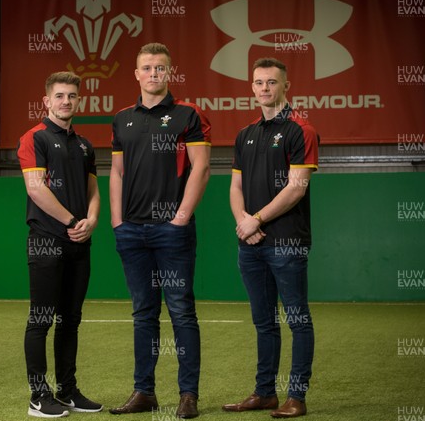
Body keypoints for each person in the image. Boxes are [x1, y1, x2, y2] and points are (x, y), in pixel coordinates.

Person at [108, 42, 211, 419]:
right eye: (147, 68)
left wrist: (181, 217)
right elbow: (117, 173)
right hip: (132, 232)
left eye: (160, 68)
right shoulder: (122, 119)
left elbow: (201, 168)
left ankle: (188, 395)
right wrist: (117, 222)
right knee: (143, 313)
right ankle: (144, 392)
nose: (154, 74)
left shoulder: (188, 115)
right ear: (136, 74)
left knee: (182, 312)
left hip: (173, 231)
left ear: (170, 73)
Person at [223, 58, 318, 418]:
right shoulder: (245, 134)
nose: (265, 88)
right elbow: (235, 186)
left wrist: (257, 219)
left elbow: (296, 188)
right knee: (264, 321)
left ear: (286, 86)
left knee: (297, 319)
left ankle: (296, 396)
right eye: (259, 82)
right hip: (251, 244)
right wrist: (243, 221)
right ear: (252, 87)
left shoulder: (301, 130)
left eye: (272, 82)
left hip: (287, 243)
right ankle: (265, 393)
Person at [17, 71, 102, 418]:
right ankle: (39, 396)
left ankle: (67, 391)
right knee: (41, 319)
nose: (66, 101)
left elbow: (93, 188)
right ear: (47, 101)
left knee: (71, 320)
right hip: (47, 242)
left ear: (78, 100)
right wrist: (71, 222)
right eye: (60, 95)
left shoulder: (84, 145)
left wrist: (92, 220)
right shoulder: (33, 138)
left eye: (72, 96)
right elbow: (35, 188)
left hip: (79, 243)